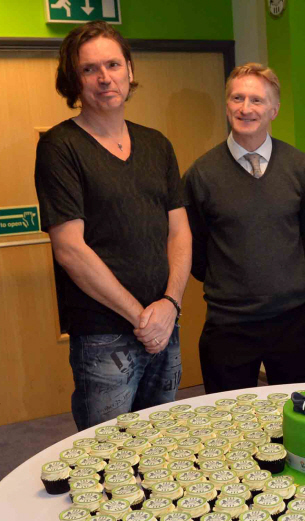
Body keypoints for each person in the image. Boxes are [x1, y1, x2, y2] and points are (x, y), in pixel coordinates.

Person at [34, 21, 191, 431]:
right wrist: (142, 317)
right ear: (74, 79)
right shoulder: (59, 147)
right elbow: (70, 249)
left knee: (162, 442)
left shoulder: (157, 144)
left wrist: (170, 305)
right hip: (104, 335)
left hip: (165, 322)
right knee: (106, 452)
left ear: (130, 70)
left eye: (113, 64)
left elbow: (180, 231)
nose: (105, 78)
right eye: (89, 69)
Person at [184, 63, 305, 393]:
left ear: (274, 109)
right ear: (227, 104)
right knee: (229, 424)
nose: (246, 108)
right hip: (228, 325)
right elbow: (195, 252)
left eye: (257, 101)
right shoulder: (201, 174)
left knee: (299, 419)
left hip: (291, 321)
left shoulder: (299, 167)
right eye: (237, 98)